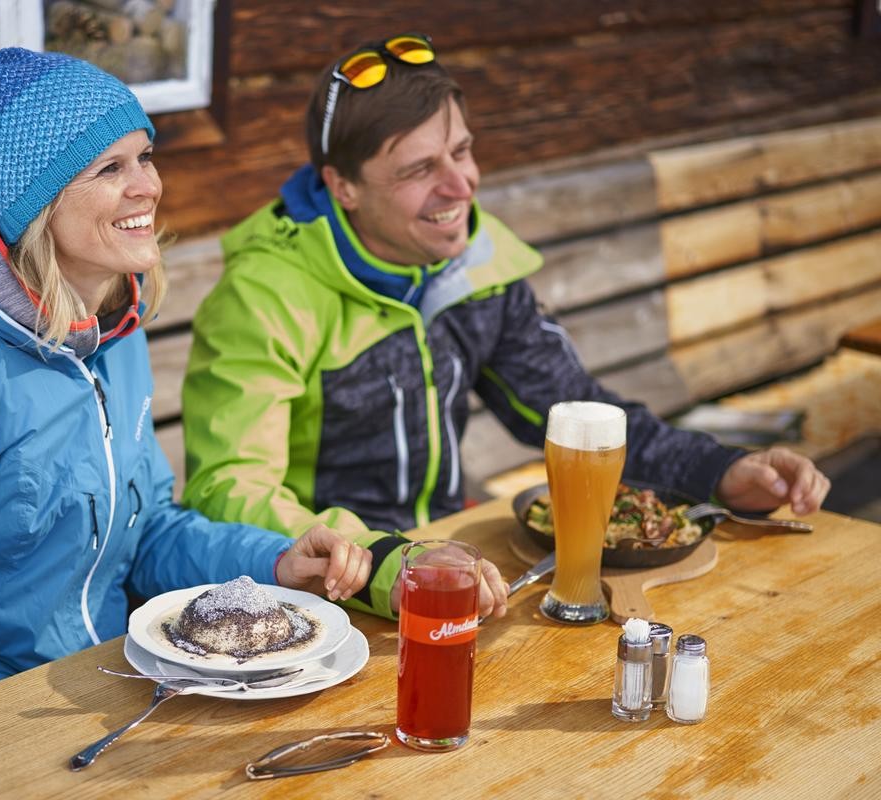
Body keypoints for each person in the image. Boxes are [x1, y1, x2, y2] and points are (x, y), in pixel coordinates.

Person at [180, 33, 830, 621]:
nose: (460, 185)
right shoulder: (263, 295)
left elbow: (578, 416)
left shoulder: (470, 261)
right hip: (318, 601)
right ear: (342, 186)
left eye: (461, 151)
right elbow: (230, 486)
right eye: (418, 170)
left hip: (458, 567)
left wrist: (719, 470)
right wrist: (382, 563)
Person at [0, 48, 371, 749]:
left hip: (120, 695)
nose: (147, 186)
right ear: (36, 202)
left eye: (144, 156)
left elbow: (142, 537)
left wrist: (275, 563)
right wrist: (66, 752)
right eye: (109, 169)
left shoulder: (107, 330)